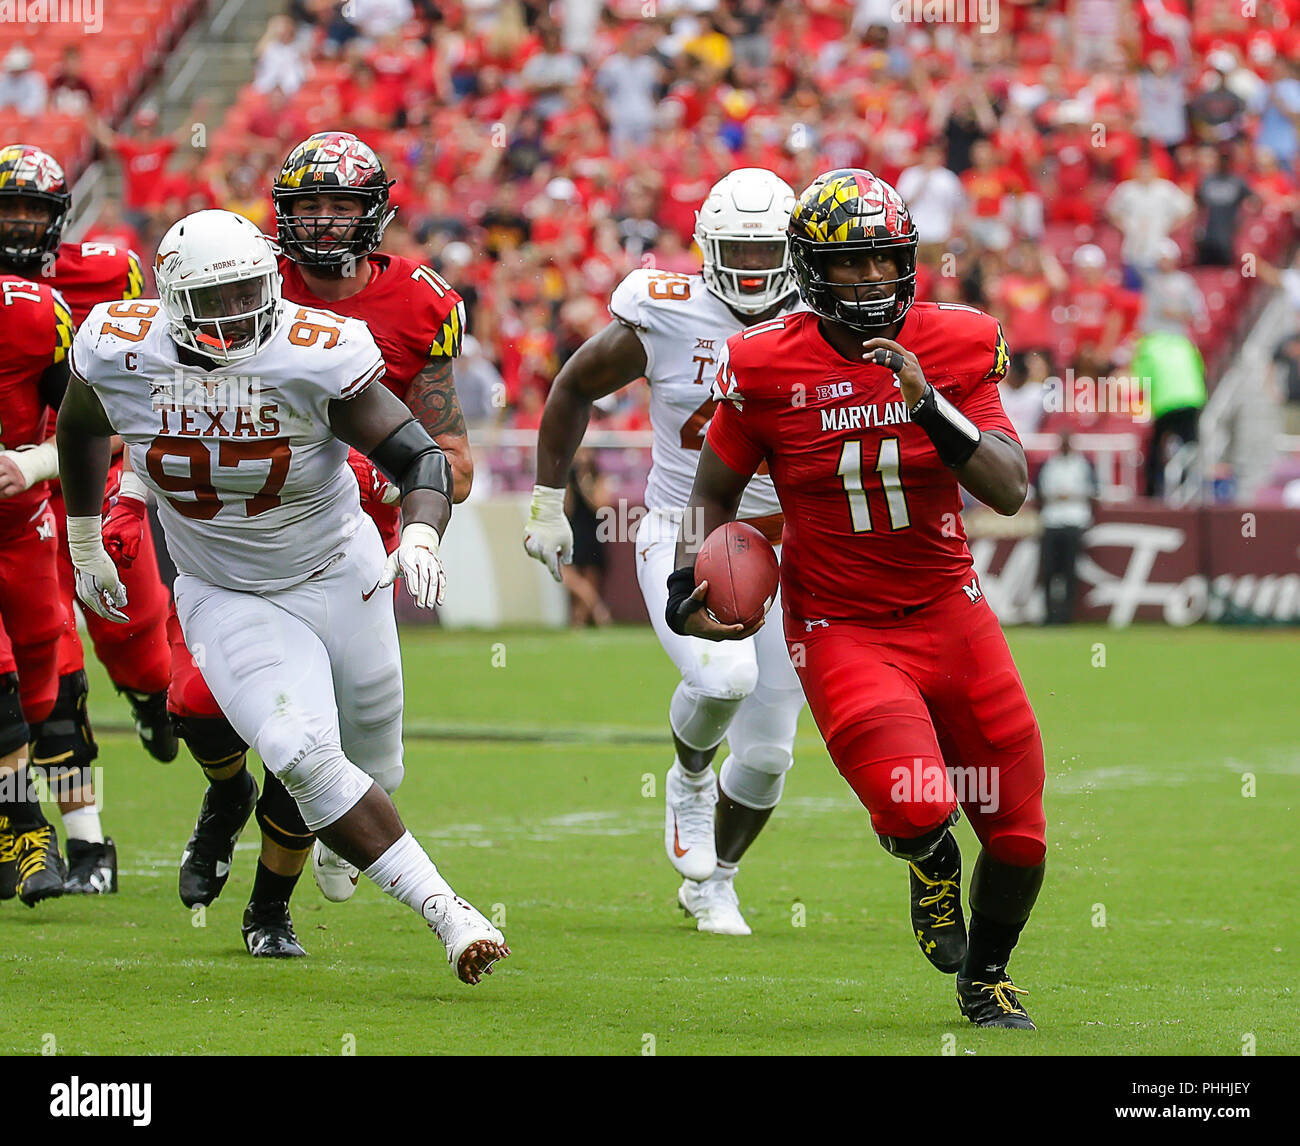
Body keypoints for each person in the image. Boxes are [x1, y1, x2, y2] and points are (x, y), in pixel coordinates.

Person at [57, 208, 508, 985]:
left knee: (377, 759)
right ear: (171, 300)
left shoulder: (313, 353)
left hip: (340, 570)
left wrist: (423, 535)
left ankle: (340, 843)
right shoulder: (120, 347)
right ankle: (447, 910)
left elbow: (421, 458)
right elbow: (78, 425)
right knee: (300, 751)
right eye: (217, 298)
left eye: (248, 292)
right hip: (228, 591)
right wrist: (84, 536)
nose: (237, 313)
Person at [667, 169, 1046, 1028]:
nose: (873, 280)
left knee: (1020, 835)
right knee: (917, 805)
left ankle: (985, 978)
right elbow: (715, 491)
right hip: (842, 623)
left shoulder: (953, 343)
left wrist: (928, 406)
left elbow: (1010, 487)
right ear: (811, 270)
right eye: (851, 265)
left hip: (953, 610)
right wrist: (685, 581)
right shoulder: (764, 361)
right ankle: (927, 860)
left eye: (884, 261)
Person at [525, 169, 808, 936]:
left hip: (798, 545)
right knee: (724, 675)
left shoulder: (825, 318)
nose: (751, 270)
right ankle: (687, 777)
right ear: (705, 249)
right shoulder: (666, 311)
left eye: (764, 251)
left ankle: (717, 881)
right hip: (687, 530)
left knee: (769, 757)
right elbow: (575, 385)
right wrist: (549, 502)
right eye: (735, 251)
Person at [0, 143, 174, 896]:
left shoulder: (105, 274)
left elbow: (118, 401)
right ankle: (76, 843)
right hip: (31, 497)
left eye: (30, 211)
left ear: (58, 218)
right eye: (6, 209)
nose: (16, 225)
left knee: (135, 639)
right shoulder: (22, 309)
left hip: (95, 479)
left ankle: (152, 700)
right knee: (50, 674)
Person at [0, 267, 76, 907]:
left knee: (37, 689)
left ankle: (6, 818)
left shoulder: (34, 316)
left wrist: (25, 463)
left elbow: (89, 432)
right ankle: (29, 827)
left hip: (24, 527)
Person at [1035, 433, 1097, 625]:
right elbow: (1039, 492)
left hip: (1074, 521)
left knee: (1069, 570)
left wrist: (1069, 495)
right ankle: (1048, 614)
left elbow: (1094, 491)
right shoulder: (1049, 465)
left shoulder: (1083, 465)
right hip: (1052, 521)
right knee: (1049, 570)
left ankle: (1066, 615)